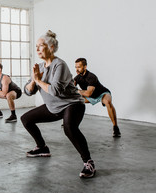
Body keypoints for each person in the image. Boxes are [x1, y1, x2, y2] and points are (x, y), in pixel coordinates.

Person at [22, 30, 96, 178]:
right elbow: (28, 91)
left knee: (69, 128)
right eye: (36, 46)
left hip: (72, 104)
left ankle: (88, 162)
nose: (36, 49)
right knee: (26, 119)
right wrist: (33, 81)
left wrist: (37, 80)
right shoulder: (40, 67)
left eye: (40, 46)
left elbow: (55, 90)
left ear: (50, 47)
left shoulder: (59, 65)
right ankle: (42, 148)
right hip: (54, 107)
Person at [74, 58, 121, 137]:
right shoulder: (77, 78)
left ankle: (115, 127)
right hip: (91, 97)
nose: (77, 69)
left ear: (85, 67)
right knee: (72, 101)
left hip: (102, 93)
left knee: (107, 102)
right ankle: (70, 123)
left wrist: (77, 91)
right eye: (75, 67)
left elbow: (88, 93)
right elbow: (70, 88)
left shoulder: (91, 77)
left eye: (79, 67)